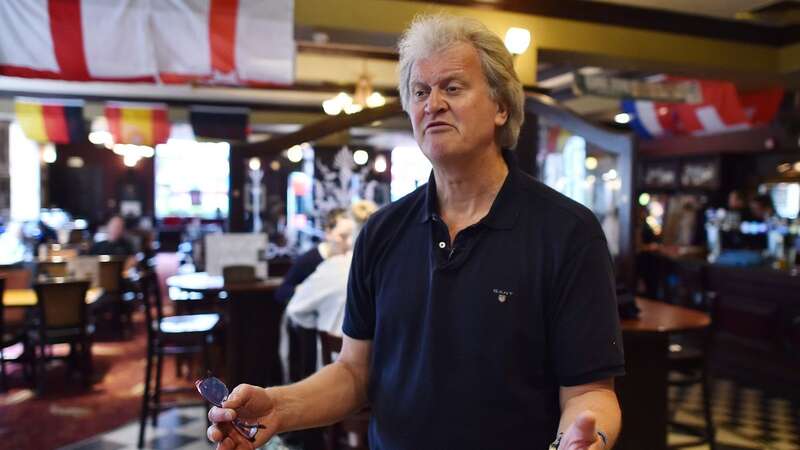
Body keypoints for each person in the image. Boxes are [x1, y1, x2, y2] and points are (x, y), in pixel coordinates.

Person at [208, 14, 623, 450]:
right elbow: (354, 372)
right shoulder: (382, 231)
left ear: (501, 106)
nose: (433, 103)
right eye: (420, 91)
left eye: (453, 87)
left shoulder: (568, 232)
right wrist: (279, 406)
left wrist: (584, 439)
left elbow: (590, 392)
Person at [274, 208, 354, 304]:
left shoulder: (351, 259)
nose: (349, 243)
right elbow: (282, 292)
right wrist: (306, 290)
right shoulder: (309, 259)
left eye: (352, 236)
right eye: (343, 236)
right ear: (328, 233)